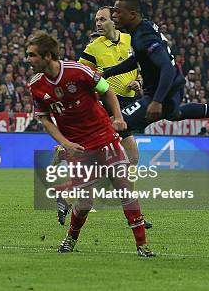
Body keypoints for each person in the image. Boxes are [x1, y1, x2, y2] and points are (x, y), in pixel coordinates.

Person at [26, 31, 154, 257]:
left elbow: (107, 91)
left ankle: (142, 245)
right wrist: (65, 143)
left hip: (104, 136)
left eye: (32, 55)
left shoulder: (78, 71)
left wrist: (117, 117)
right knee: (85, 203)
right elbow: (45, 119)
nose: (28, 60)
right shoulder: (35, 85)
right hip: (79, 147)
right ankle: (70, 239)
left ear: (47, 56)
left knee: (124, 188)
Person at [103, 0, 209, 133]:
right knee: (175, 114)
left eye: (118, 12)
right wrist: (106, 73)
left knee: (117, 124)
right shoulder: (143, 27)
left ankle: (118, 162)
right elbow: (137, 59)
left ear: (132, 14)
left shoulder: (143, 37)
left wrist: (157, 101)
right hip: (173, 87)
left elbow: (166, 67)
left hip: (163, 91)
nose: (114, 16)